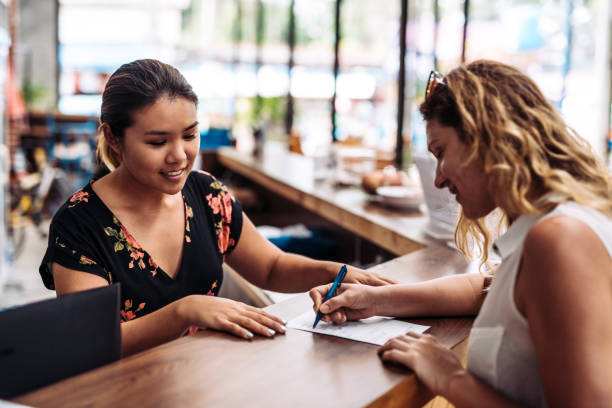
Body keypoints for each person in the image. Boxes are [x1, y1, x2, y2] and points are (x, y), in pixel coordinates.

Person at [39, 59, 395, 357]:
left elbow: (270, 267)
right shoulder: (79, 223)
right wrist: (185, 311)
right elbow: (92, 344)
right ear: (114, 137)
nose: (179, 155)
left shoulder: (207, 195)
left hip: (204, 378)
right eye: (158, 141)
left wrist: (335, 272)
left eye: (190, 135)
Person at [310, 60, 612, 407]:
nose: (437, 179)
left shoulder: (559, 240)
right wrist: (376, 300)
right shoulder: (560, 224)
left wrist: (450, 378)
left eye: (441, 152)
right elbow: (488, 289)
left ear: (488, 138)